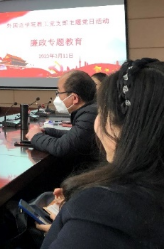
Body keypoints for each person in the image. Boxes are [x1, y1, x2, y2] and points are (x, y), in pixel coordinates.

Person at [38, 58, 163, 248]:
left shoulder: (99, 209)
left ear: (121, 127)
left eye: (102, 112)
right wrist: (71, 222)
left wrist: (76, 223)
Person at [25, 70, 98, 160]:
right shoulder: (90, 110)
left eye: (59, 93)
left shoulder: (89, 115)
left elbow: (61, 147)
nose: (57, 97)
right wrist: (47, 131)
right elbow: (74, 136)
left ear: (74, 98)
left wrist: (35, 136)